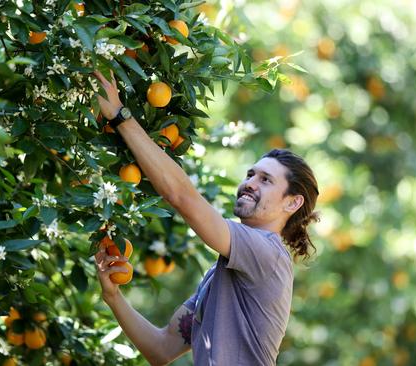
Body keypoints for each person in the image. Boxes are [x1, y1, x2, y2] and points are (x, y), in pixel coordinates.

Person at [92, 70, 319, 366]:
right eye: (250, 174)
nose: (250, 183)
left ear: (292, 203)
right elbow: (161, 349)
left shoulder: (268, 253)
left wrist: (121, 117)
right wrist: (113, 296)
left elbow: (182, 197)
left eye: (266, 180)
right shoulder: (220, 276)